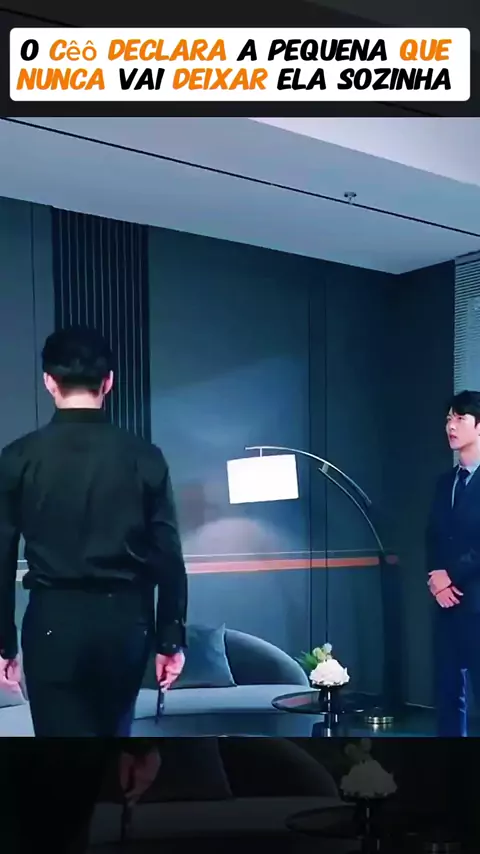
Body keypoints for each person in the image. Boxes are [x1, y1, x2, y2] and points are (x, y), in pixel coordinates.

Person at [0, 325, 187, 735]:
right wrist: (170, 640)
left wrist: (3, 643)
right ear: (109, 382)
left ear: (49, 381)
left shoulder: (16, 458)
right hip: (126, 624)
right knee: (114, 751)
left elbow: (1, 554)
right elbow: (169, 556)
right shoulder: (144, 456)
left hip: (52, 623)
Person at [427, 389, 480, 736]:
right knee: (447, 696)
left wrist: (451, 576)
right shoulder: (444, 482)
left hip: (476, 602)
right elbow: (432, 537)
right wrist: (435, 579)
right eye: (449, 418)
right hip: (445, 606)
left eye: (460, 418)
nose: (451, 425)